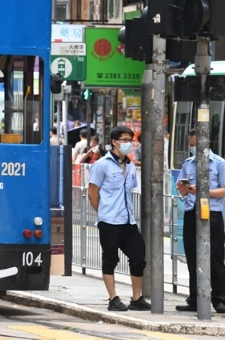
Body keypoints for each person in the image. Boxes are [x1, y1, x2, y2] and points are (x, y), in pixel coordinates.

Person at [87, 125, 151, 312]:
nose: (128, 144)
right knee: (110, 259)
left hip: (128, 221)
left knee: (138, 257)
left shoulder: (130, 166)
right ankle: (113, 298)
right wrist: (104, 213)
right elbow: (92, 193)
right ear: (114, 142)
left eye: (130, 140)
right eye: (124, 140)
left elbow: (129, 190)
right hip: (109, 222)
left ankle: (137, 298)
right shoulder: (102, 165)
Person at [175, 129, 225, 314]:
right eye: (191, 144)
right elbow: (182, 190)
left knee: (215, 257)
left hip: (212, 213)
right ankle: (194, 298)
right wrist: (182, 189)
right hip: (192, 212)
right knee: (192, 256)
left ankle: (220, 299)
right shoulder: (188, 163)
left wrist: (202, 191)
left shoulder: (219, 163)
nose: (193, 148)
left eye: (195, 144)